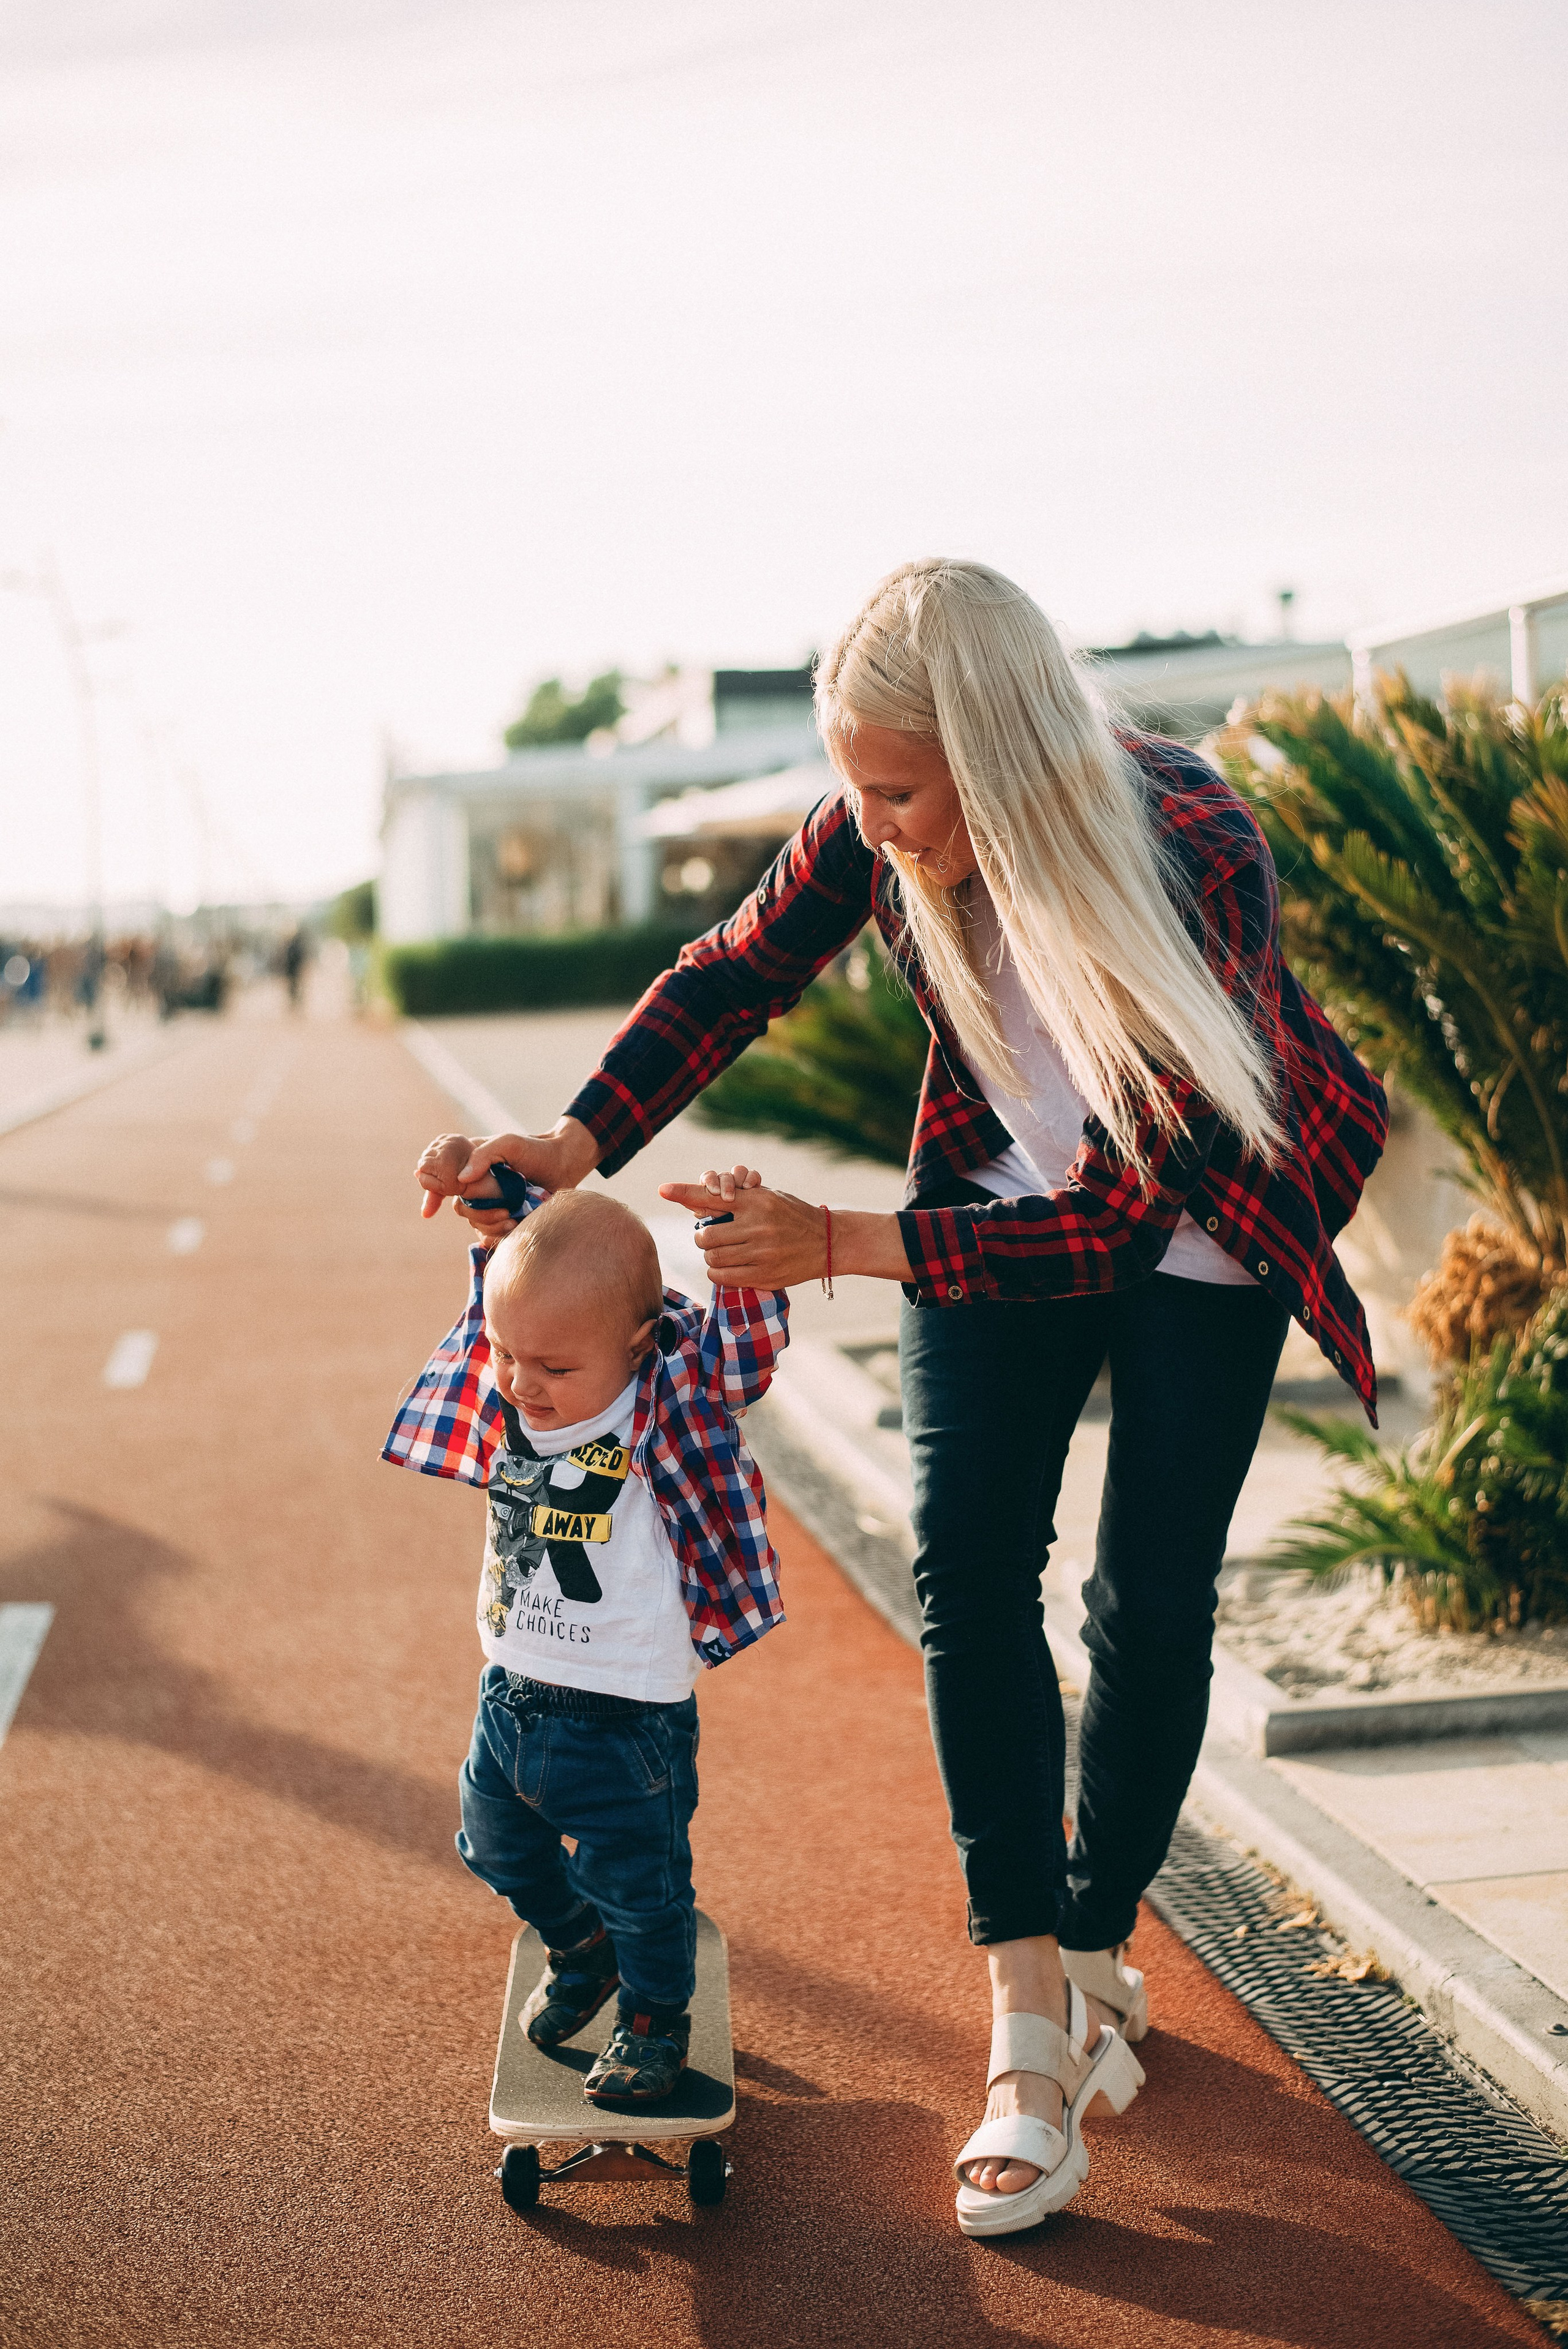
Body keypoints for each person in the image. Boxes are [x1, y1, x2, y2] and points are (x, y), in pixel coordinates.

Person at [415, 559, 1389, 2230]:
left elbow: (1118, 1220)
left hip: (1198, 1230)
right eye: (856, 787)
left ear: (1000, 760)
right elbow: (730, 974)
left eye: (897, 791)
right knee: (967, 1569)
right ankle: (1025, 2024)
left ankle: (1091, 1939)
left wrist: (842, 1241)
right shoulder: (878, 824)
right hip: (991, 1200)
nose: (873, 825)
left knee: (1149, 1606)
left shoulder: (1198, 845)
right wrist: (573, 1140)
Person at [385, 1161, 787, 2106]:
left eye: (557, 1369)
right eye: (509, 1355)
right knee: (491, 1843)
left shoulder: (665, 1401)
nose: (526, 1384)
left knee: (644, 1891)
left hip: (626, 1717)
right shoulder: (520, 1377)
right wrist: (490, 1200)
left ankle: (653, 2020)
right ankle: (581, 1948)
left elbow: (742, 1358)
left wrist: (738, 1248)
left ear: (642, 1346)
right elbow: (521, 1260)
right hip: (511, 1695)